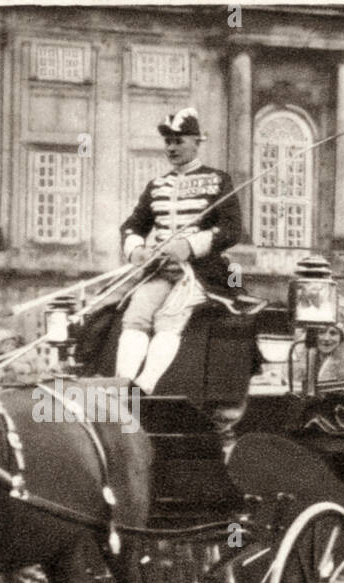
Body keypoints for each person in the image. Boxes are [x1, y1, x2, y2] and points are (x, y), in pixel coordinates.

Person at [115, 107, 243, 394]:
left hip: (199, 272)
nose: (171, 148)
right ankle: (121, 388)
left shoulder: (218, 180)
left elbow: (232, 229)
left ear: (197, 142)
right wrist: (137, 251)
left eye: (179, 141)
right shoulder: (157, 186)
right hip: (159, 270)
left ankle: (144, 389)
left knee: (168, 320)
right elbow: (132, 226)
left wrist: (188, 246)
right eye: (168, 142)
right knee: (135, 317)